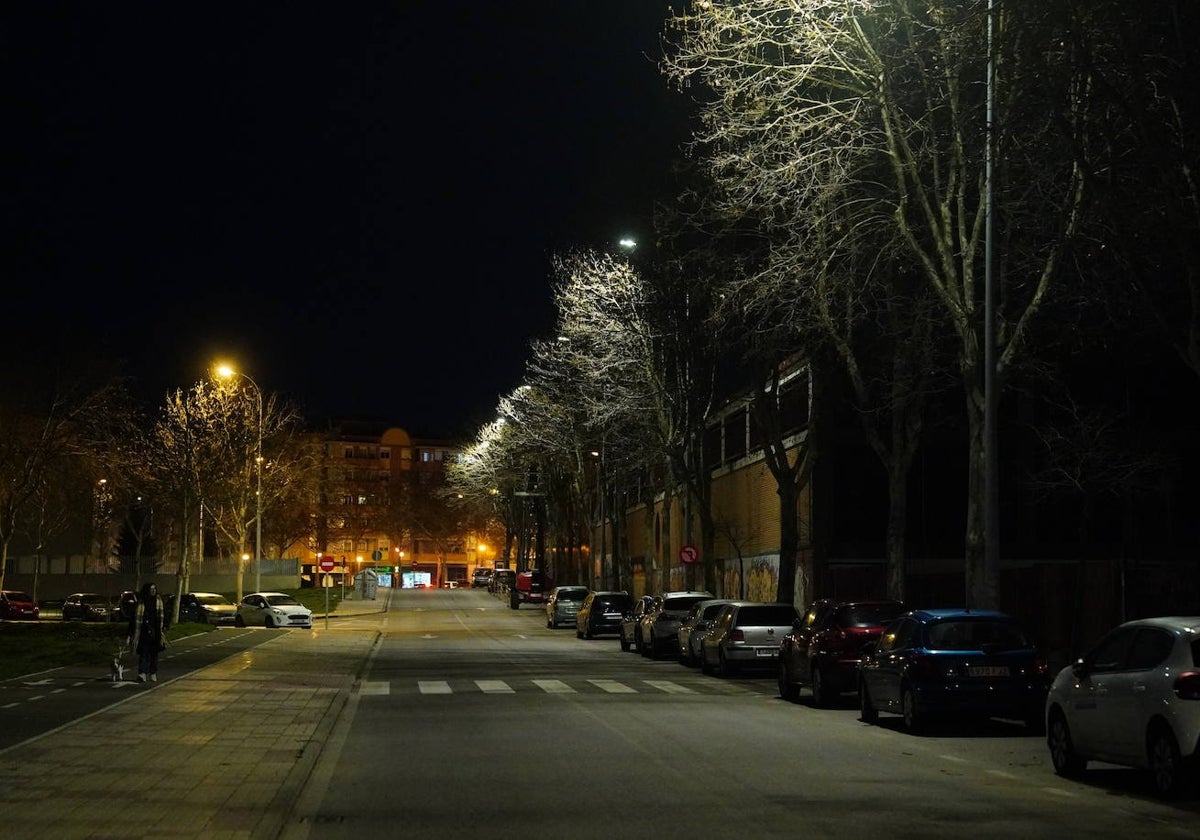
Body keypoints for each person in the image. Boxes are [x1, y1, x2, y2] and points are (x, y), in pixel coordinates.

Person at [127, 582, 167, 683]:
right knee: (144, 653)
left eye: (154, 588)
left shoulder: (158, 601)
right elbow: (134, 618)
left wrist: (164, 628)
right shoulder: (141, 602)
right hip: (143, 632)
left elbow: (163, 616)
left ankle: (153, 673)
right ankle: (142, 673)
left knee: (154, 653)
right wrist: (130, 634)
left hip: (155, 631)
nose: (153, 591)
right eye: (151, 589)